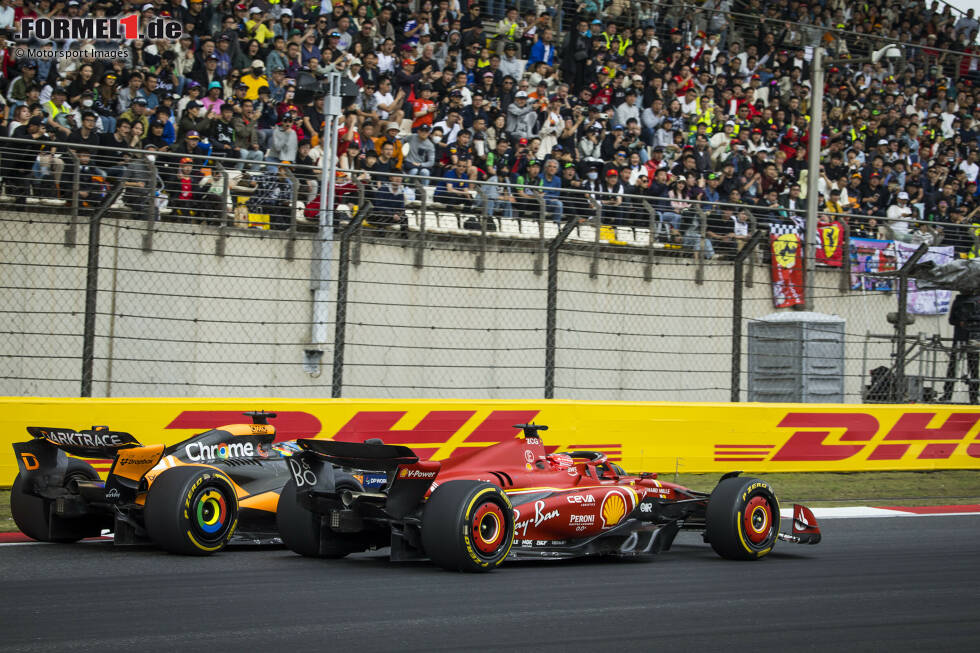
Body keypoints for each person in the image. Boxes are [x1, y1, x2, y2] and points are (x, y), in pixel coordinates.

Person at [942, 291, 980, 404]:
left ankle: (973, 397)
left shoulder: (978, 300)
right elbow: (951, 320)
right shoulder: (959, 300)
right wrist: (961, 322)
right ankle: (947, 395)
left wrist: (973, 321)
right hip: (960, 337)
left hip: (974, 337)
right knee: (953, 366)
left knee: (973, 367)